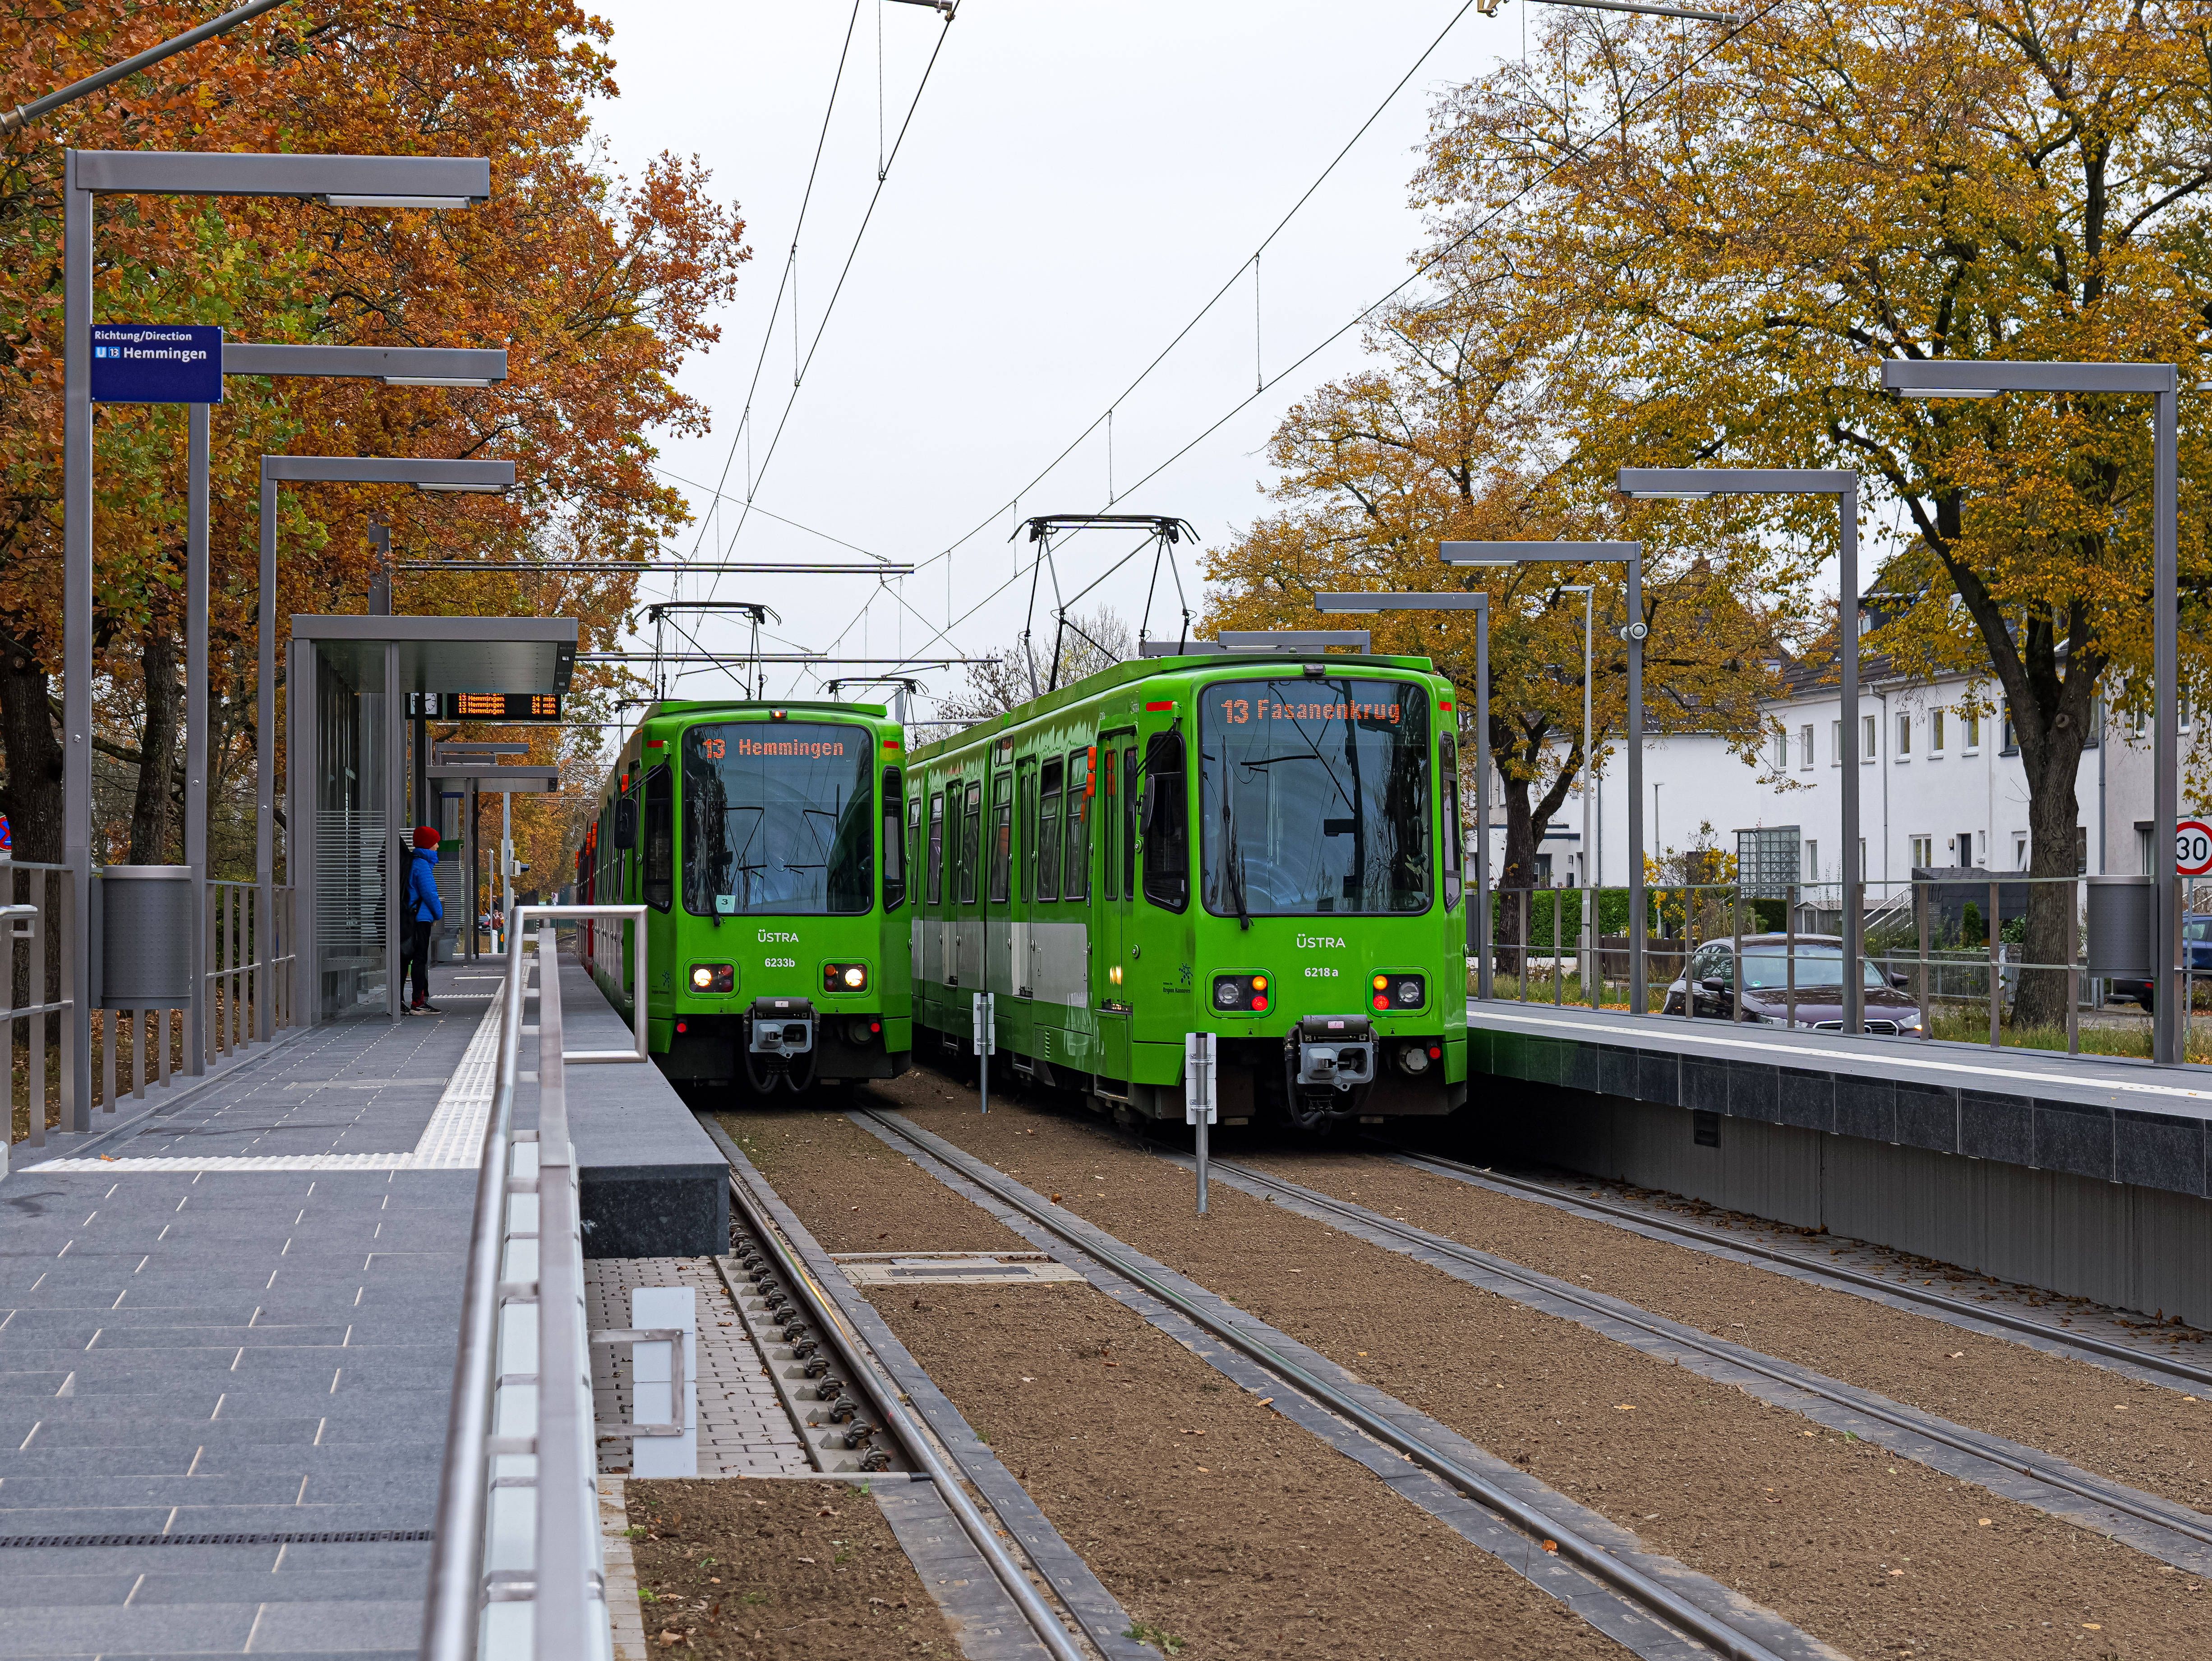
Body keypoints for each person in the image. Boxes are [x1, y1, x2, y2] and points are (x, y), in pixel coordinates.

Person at [403, 826, 444, 1013]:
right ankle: (417, 1002)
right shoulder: (422, 866)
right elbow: (430, 894)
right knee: (420, 959)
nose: (437, 846)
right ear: (428, 845)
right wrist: (438, 914)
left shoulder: (416, 863)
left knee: (414, 958)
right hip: (421, 919)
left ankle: (415, 1000)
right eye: (435, 843)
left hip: (414, 917)